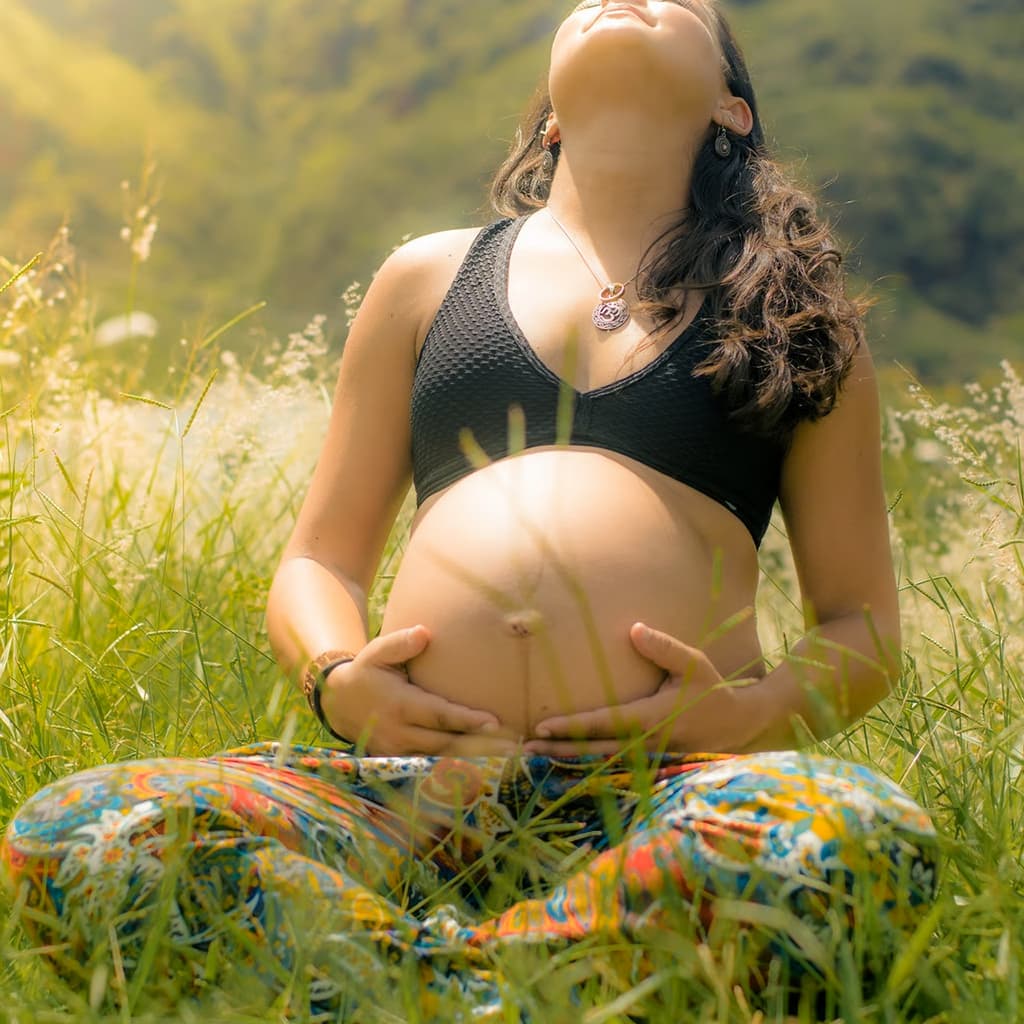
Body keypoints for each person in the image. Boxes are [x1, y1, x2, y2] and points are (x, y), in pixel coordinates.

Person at [2, 1, 937, 1018]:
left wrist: (750, 714)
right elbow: (319, 560)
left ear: (731, 108)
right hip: (410, 788)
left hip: (665, 791)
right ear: (547, 121)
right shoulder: (429, 278)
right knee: (79, 829)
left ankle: (387, 979)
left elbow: (861, 625)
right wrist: (335, 682)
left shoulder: (793, 319)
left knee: (854, 834)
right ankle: (543, 979)